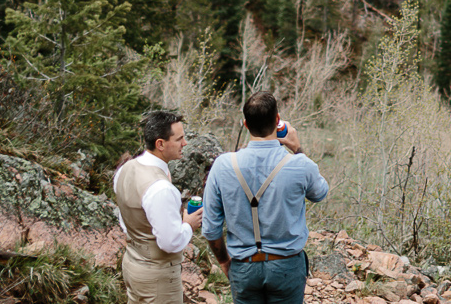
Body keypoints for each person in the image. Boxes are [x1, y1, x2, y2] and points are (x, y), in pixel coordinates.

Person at [202, 90, 328, 304]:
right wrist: (298, 148)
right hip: (287, 266)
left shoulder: (223, 166)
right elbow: (320, 192)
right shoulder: (300, 165)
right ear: (278, 121)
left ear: (245, 124)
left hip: (243, 267)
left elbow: (210, 227)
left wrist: (224, 262)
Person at [113, 109, 204, 304]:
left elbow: (125, 220)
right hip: (158, 277)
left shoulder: (125, 170)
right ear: (160, 144)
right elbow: (169, 243)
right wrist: (189, 224)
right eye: (179, 139)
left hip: (132, 263)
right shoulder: (161, 188)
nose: (185, 143)